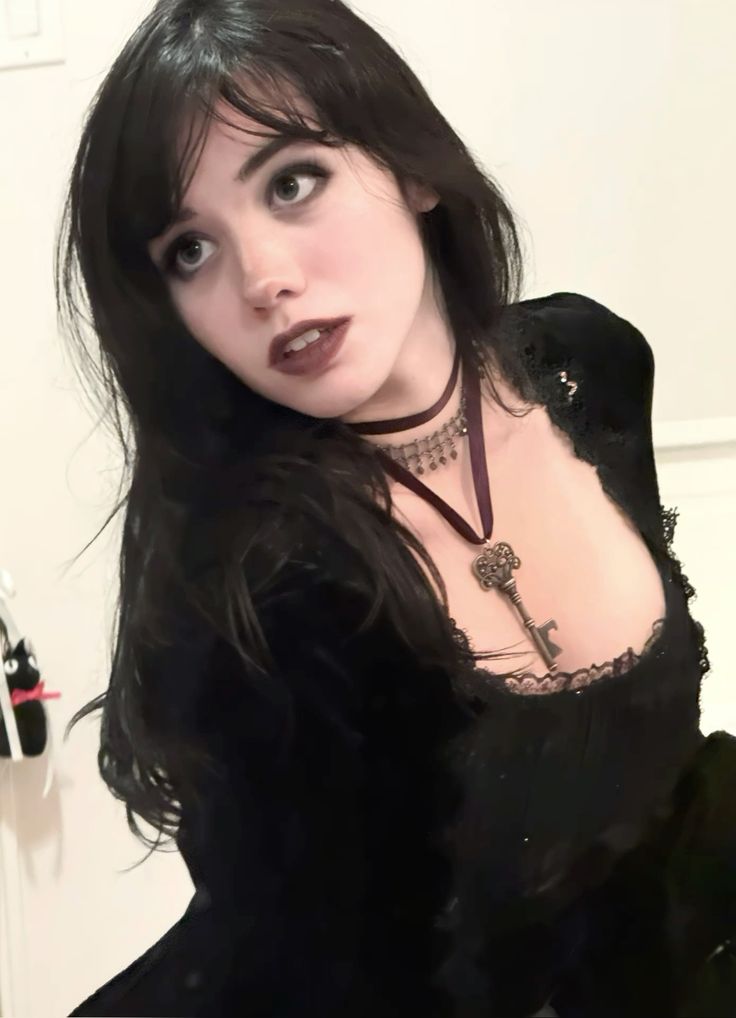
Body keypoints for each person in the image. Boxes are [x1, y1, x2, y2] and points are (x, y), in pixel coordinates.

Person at [57, 1, 736, 1015]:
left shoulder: (589, 371)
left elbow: (652, 797)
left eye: (292, 182)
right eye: (190, 250)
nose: (264, 280)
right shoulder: (261, 595)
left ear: (412, 167)